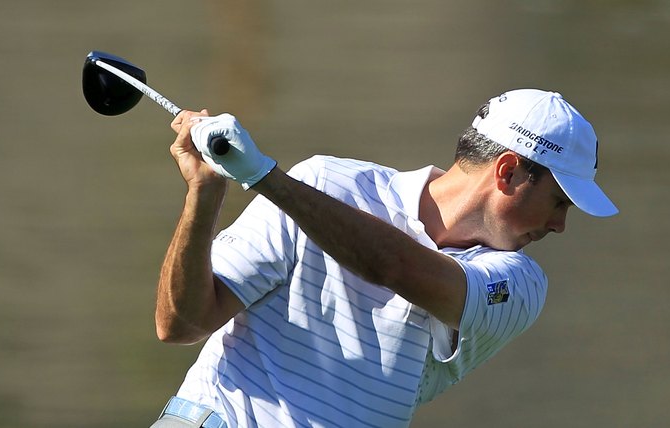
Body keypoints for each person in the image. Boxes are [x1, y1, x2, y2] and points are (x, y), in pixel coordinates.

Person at [150, 89, 618, 428]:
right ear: (508, 171)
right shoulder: (326, 182)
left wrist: (265, 178)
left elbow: (396, 268)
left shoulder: (518, 284)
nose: (559, 226)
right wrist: (203, 195)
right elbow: (181, 324)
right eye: (560, 202)